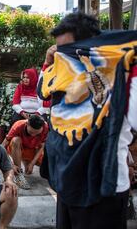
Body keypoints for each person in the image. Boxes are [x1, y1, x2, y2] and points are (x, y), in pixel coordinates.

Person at [38, 12, 137, 229]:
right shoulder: (62, 71)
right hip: (67, 184)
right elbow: (42, 92)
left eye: (67, 51)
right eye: (58, 51)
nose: (62, 57)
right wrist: (47, 62)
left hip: (102, 190)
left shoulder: (123, 72)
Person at [1, 114, 48, 190]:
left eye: (37, 133)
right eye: (31, 132)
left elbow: (41, 147)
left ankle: (26, 161)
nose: (33, 135)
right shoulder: (18, 125)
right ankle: (18, 176)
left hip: (33, 149)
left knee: (48, 165)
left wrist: (32, 163)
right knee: (16, 140)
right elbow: (2, 147)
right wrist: (11, 165)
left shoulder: (45, 127)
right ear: (27, 124)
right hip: (18, 149)